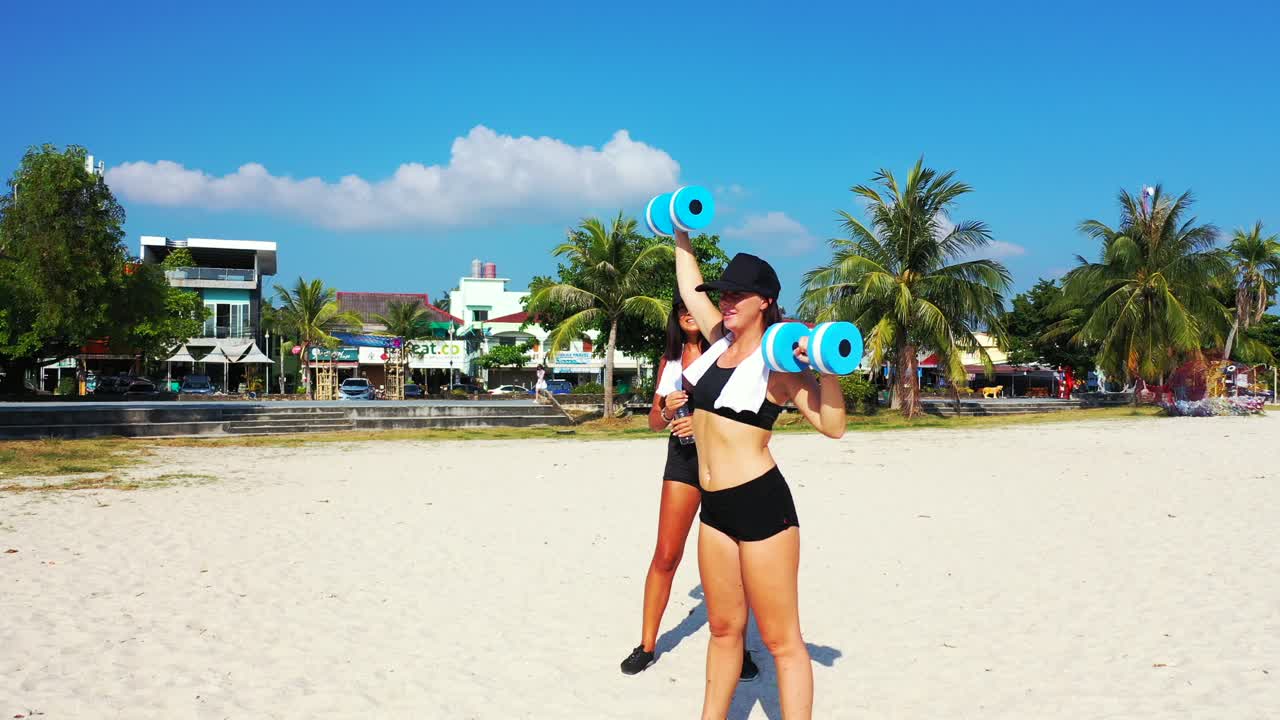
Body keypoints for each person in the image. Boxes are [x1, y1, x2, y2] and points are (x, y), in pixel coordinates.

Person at [674, 228, 846, 720]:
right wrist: (681, 230)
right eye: (723, 294)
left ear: (765, 301)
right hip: (715, 509)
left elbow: (833, 426)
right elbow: (690, 287)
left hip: (761, 505)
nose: (725, 302)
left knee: (781, 639)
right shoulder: (716, 342)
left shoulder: (779, 362)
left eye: (736, 295)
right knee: (724, 630)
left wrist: (824, 368)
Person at [619, 296, 759, 682]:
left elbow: (743, 407)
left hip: (726, 459)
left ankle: (741, 650)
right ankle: (646, 645)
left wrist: (699, 417)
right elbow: (652, 421)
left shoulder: (728, 351)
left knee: (733, 562)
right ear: (676, 319)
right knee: (666, 554)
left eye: (693, 306)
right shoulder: (671, 360)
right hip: (682, 460)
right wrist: (666, 411)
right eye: (679, 307)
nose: (687, 312)